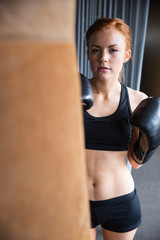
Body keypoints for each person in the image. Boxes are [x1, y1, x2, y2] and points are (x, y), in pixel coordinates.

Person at [82, 17, 148, 240]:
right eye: (96, 50)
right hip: (75, 201)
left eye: (113, 50)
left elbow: (135, 162)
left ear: (126, 55)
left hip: (120, 201)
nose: (103, 58)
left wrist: (149, 139)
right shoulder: (70, 95)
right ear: (88, 53)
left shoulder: (138, 101)